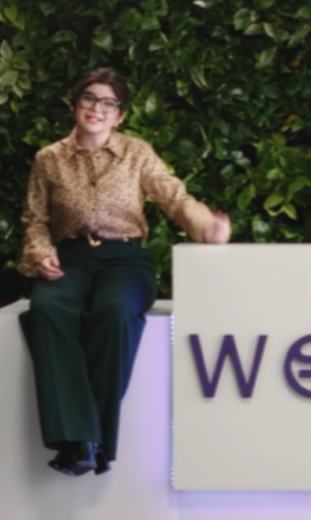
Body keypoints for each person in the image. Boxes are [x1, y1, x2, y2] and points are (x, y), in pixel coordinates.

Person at [17, 68, 230, 477]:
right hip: (71, 259)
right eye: (89, 98)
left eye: (108, 102)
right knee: (47, 308)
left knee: (115, 311)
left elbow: (173, 196)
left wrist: (206, 226)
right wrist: (40, 253)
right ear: (75, 105)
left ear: (120, 115)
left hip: (125, 260)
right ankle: (85, 441)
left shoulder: (137, 153)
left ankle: (84, 441)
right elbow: (35, 219)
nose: (97, 108)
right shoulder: (49, 159)